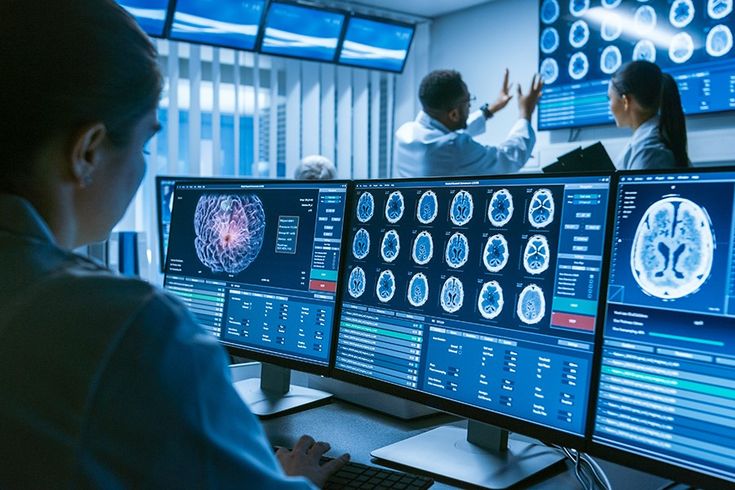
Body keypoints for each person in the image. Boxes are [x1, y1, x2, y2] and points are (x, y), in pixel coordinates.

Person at [0, 1, 347, 487]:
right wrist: (293, 481)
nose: (143, 166)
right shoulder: (129, 327)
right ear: (87, 151)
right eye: (144, 145)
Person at [394, 69, 544, 178]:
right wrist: (526, 112)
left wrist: (489, 110)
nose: (470, 106)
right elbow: (509, 158)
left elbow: (445, 135)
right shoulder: (454, 148)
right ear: (453, 114)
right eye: (468, 101)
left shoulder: (405, 132)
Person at [608, 60, 690, 170]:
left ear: (626, 101)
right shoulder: (650, 141)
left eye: (609, 98)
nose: (609, 106)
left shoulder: (648, 151)